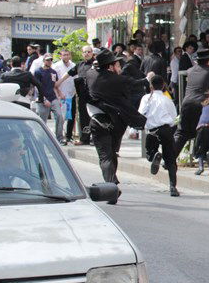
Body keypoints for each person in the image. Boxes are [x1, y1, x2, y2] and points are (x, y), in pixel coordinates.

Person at [87, 49, 147, 195]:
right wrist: (149, 78)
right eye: (117, 64)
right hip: (116, 123)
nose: (119, 67)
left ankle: (111, 184)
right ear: (110, 66)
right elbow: (136, 83)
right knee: (111, 154)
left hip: (98, 121)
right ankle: (112, 185)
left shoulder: (90, 75)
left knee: (106, 156)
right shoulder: (116, 80)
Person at [139, 75, 180, 197]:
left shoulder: (146, 98)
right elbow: (173, 118)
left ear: (150, 86)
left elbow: (140, 114)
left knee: (149, 152)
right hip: (166, 130)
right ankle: (173, 187)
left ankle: (154, 156)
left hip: (152, 131)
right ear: (163, 86)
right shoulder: (167, 99)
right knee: (171, 160)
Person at [33, 54, 65, 144]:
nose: (49, 62)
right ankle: (40, 139)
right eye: (47, 60)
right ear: (44, 61)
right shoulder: (38, 71)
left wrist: (59, 94)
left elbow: (54, 85)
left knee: (60, 116)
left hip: (53, 97)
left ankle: (60, 137)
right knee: (42, 120)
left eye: (51, 60)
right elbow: (36, 87)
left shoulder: (53, 72)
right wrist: (43, 99)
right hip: (42, 98)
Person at [52, 49, 76, 145]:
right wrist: (58, 93)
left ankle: (69, 136)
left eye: (67, 54)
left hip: (71, 94)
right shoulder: (56, 66)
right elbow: (54, 82)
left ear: (70, 55)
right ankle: (59, 136)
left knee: (71, 116)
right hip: (60, 95)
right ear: (60, 56)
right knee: (60, 117)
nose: (66, 56)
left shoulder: (73, 65)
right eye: (64, 55)